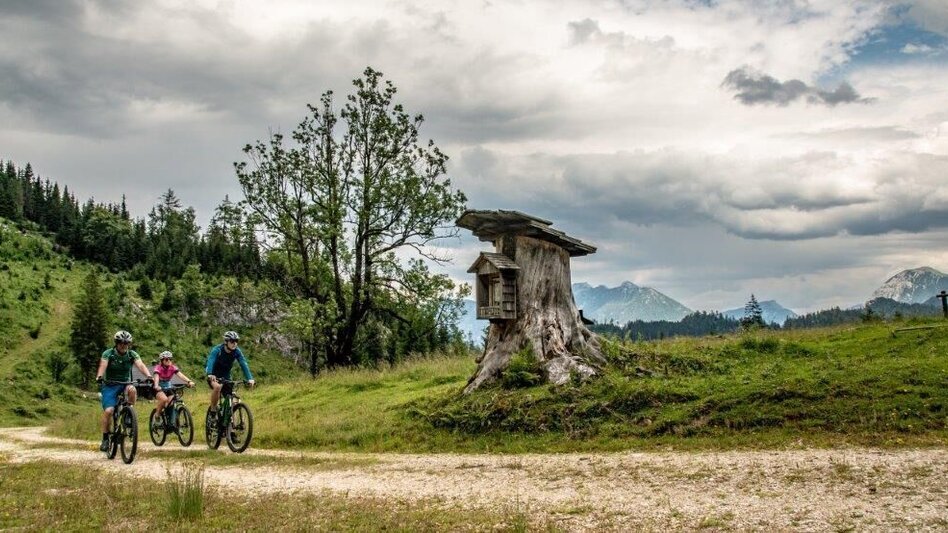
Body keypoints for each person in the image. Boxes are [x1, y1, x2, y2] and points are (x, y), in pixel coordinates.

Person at [95, 330, 155, 451]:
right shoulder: (109, 353)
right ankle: (105, 438)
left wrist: (149, 376)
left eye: (126, 343)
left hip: (125, 383)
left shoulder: (132, 354)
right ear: (116, 343)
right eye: (121, 343)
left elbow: (141, 365)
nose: (123, 345)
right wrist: (100, 376)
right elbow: (103, 365)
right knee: (109, 411)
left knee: (132, 389)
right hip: (110, 385)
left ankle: (128, 414)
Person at [205, 331, 255, 415]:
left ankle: (228, 422)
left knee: (233, 400)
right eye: (232, 341)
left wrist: (250, 378)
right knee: (217, 387)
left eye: (236, 341)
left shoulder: (237, 352)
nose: (234, 343)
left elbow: (243, 363)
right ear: (226, 342)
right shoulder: (217, 350)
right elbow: (211, 360)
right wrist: (210, 373)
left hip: (226, 377)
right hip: (213, 375)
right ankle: (213, 410)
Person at [152, 351, 195, 425]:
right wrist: (156, 385)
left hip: (168, 387)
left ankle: (171, 423)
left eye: (170, 359)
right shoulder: (158, 368)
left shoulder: (172, 368)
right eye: (166, 359)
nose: (169, 361)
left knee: (171, 403)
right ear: (162, 361)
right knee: (164, 400)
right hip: (159, 388)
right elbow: (156, 377)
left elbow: (181, 375)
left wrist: (189, 381)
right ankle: (157, 416)